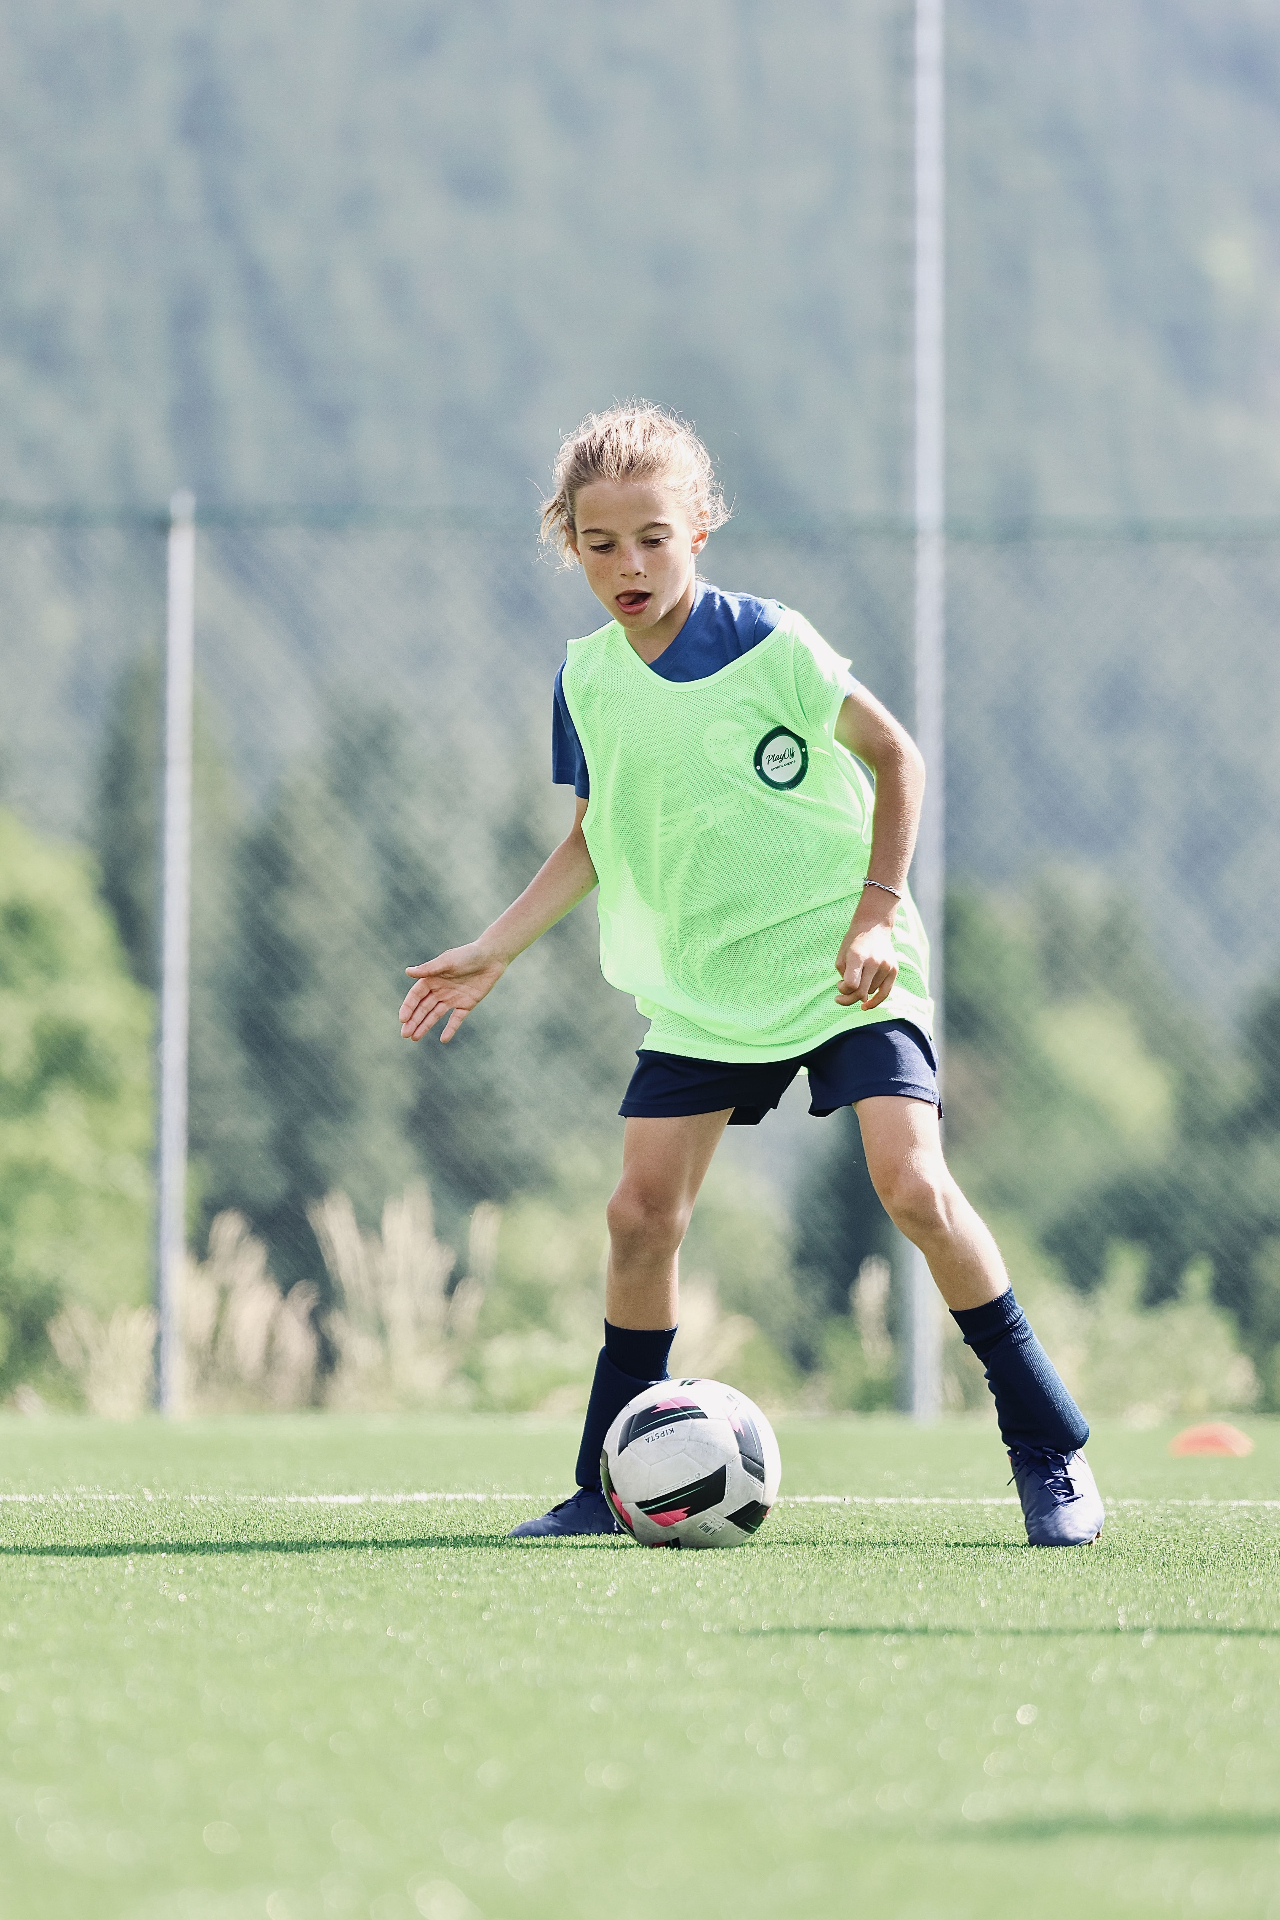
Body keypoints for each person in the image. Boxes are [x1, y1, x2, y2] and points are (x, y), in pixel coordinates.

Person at [399, 403, 1104, 1549]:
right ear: (565, 543)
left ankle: (1043, 1440)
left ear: (700, 532)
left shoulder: (768, 643)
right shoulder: (586, 680)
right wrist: (495, 946)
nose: (628, 565)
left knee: (912, 1187)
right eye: (599, 544)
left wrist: (877, 913)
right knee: (638, 1217)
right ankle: (603, 1480)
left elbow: (894, 757)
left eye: (653, 538)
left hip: (842, 966)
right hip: (701, 992)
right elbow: (597, 831)